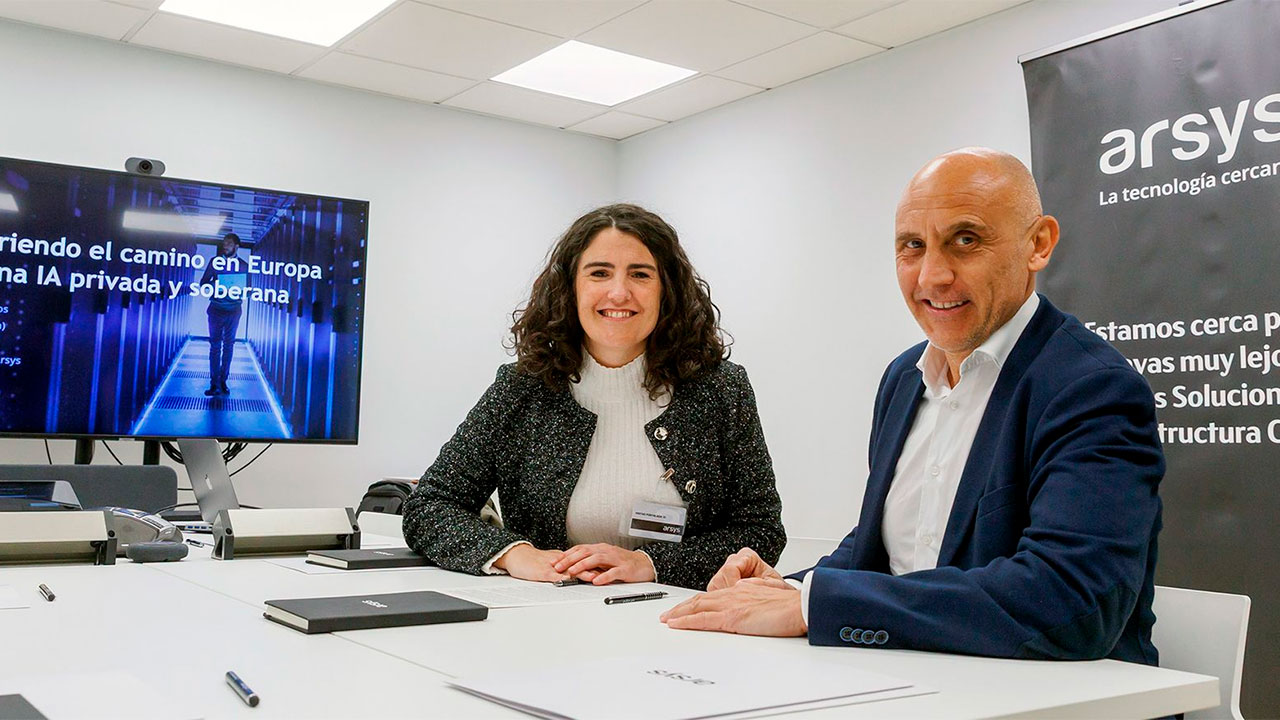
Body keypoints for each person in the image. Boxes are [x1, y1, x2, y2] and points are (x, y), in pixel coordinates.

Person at [661, 148, 1165, 665]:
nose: (931, 277)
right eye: (912, 246)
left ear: (1038, 244)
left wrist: (816, 605)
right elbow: (882, 549)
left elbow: (1070, 601)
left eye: (965, 240)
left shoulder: (1091, 389)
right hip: (921, 679)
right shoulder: (904, 379)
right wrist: (791, 590)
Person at [402, 204, 786, 589]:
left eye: (640, 274)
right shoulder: (522, 389)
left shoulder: (719, 390)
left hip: (682, 614)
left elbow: (760, 531)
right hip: (548, 612)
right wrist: (514, 554)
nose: (619, 293)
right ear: (570, 288)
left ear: (667, 290)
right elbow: (430, 505)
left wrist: (649, 564)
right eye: (599, 273)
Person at [200, 232, 243, 397]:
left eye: (229, 243)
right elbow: (203, 283)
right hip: (216, 309)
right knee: (215, 347)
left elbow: (249, 288)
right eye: (224, 243)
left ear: (236, 246)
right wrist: (217, 285)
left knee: (229, 346)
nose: (225, 246)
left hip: (234, 310)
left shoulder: (244, 265)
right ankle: (214, 383)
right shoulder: (214, 262)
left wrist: (237, 289)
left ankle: (223, 381)